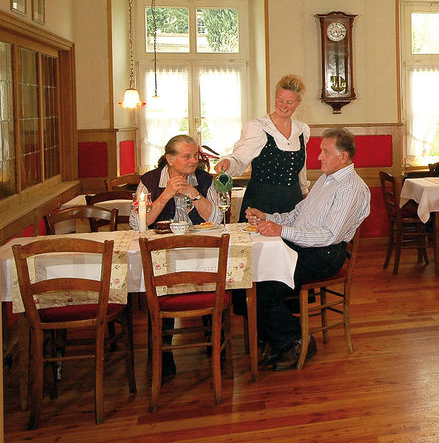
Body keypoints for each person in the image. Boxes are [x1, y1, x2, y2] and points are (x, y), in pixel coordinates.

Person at [246, 128, 370, 371]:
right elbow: (297, 214)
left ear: (343, 156)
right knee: (255, 277)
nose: (319, 156)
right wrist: (268, 218)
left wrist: (281, 231)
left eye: (325, 152)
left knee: (265, 288)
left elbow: (329, 235)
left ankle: (297, 340)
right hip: (305, 247)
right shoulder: (326, 179)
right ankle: (278, 339)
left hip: (326, 255)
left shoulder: (351, 188)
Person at [130, 134, 223, 378]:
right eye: (187, 156)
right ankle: (163, 354)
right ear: (170, 159)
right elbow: (138, 224)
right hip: (163, 255)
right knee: (161, 288)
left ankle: (216, 345)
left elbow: (217, 219)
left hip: (199, 253)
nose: (194, 161)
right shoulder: (150, 181)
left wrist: (194, 193)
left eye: (195, 156)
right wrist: (165, 196)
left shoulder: (205, 180)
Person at [215, 74, 310, 222]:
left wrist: (305, 194)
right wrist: (228, 162)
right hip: (261, 201)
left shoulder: (302, 130)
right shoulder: (258, 127)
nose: (283, 106)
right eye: (280, 100)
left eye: (289, 102)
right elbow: (240, 157)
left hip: (293, 200)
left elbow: (301, 168)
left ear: (298, 103)